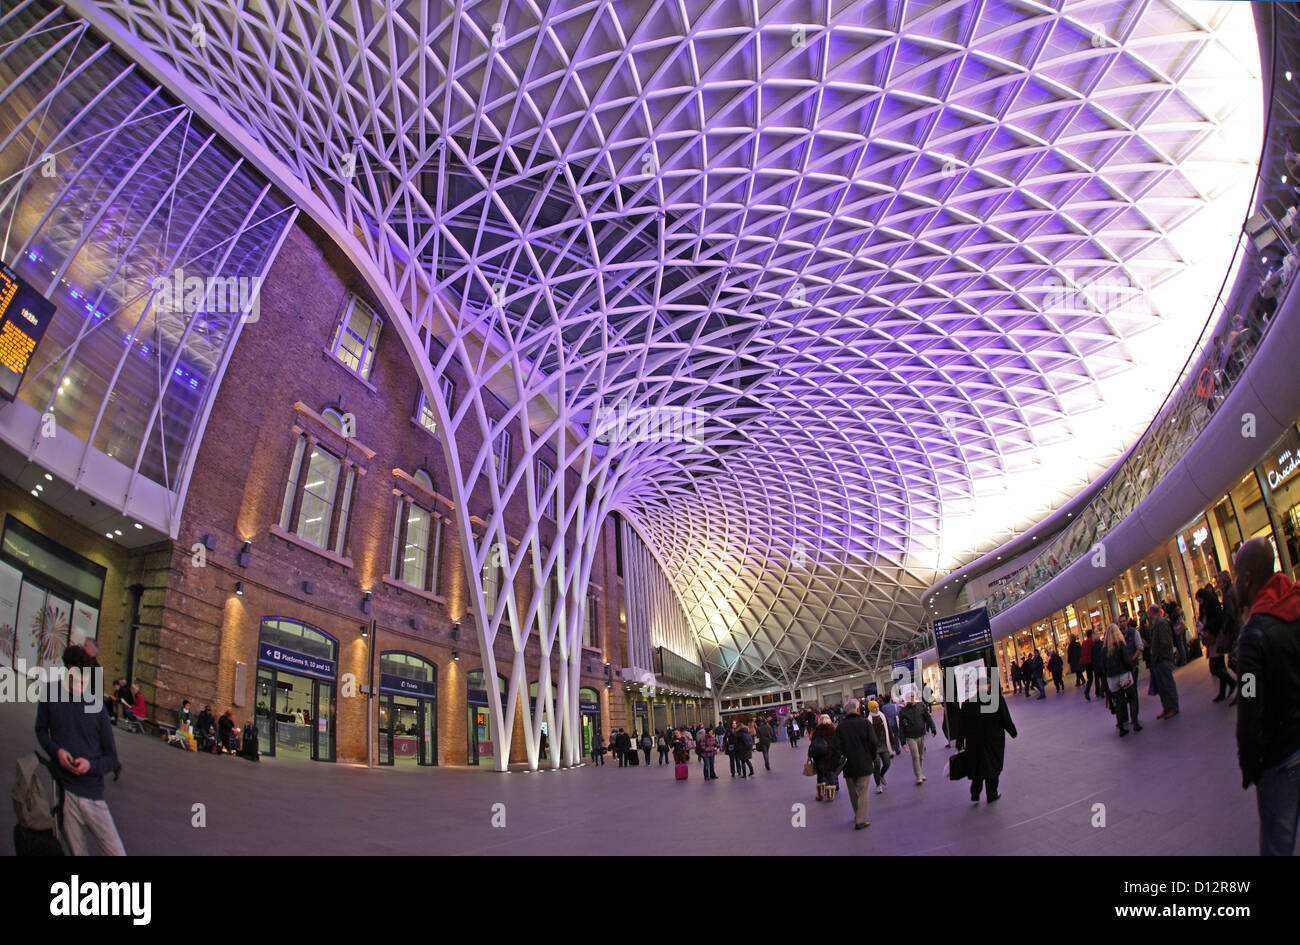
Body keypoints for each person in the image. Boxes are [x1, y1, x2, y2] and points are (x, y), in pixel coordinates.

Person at [1233, 538, 1300, 855]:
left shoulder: (1253, 638)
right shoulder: (1296, 603)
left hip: (1281, 756)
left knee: (1277, 844)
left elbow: (1249, 707)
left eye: (1235, 577)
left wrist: (1250, 764)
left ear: (1246, 579)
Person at [34, 645, 126, 855]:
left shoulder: (98, 708)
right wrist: (57, 752)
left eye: (85, 680)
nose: (80, 685)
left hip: (93, 796)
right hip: (66, 793)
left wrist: (90, 765)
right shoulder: (51, 693)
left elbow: (112, 759)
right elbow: (40, 730)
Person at [956, 680, 1017, 803]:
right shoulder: (996, 700)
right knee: (993, 767)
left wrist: (960, 742)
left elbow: (962, 726)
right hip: (994, 741)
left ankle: (975, 792)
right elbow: (1005, 718)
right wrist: (1013, 732)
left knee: (977, 767)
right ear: (988, 686)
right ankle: (992, 793)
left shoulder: (967, 704)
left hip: (974, 743)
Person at [830, 699, 877, 830]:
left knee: (853, 794)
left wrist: (834, 766)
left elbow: (836, 748)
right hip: (864, 762)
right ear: (858, 710)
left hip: (848, 765)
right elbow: (873, 743)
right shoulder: (865, 723)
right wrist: (873, 758)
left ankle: (858, 815)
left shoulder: (841, 727)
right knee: (863, 793)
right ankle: (861, 820)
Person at [1103, 623, 1141, 736]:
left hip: (1112, 680)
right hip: (1124, 676)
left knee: (1119, 703)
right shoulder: (1120, 644)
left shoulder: (1104, 650)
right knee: (1132, 697)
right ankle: (1135, 722)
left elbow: (1103, 666)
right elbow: (1126, 660)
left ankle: (1121, 727)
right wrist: (1131, 668)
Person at [1148, 603, 1180, 720]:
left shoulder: (1161, 623)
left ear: (1152, 612)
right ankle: (1167, 707)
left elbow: (1165, 642)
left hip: (1162, 659)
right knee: (1162, 685)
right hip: (1159, 660)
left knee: (1167, 683)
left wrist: (1161, 656)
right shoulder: (1157, 624)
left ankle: (1172, 707)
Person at [899, 692, 936, 783]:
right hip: (910, 737)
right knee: (915, 756)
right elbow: (901, 727)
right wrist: (903, 742)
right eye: (909, 697)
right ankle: (918, 776)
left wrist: (933, 728)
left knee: (921, 756)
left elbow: (928, 718)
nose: (911, 699)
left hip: (921, 734)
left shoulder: (921, 706)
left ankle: (920, 772)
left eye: (912, 697)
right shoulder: (903, 712)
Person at [808, 714, 840, 802]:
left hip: (819, 756)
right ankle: (830, 796)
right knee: (830, 775)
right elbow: (837, 743)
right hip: (830, 755)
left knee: (820, 775)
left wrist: (810, 755)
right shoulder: (832, 729)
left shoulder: (817, 730)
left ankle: (820, 794)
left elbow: (813, 744)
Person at [866, 700, 893, 793]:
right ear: (870, 709)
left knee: (887, 763)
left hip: (884, 744)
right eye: (874, 707)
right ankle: (878, 785)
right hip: (874, 747)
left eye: (877, 706)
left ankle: (881, 775)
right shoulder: (868, 720)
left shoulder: (882, 716)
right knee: (877, 765)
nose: (877, 708)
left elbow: (888, 729)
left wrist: (892, 743)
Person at [1080, 631, 1094, 700]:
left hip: (1086, 662)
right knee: (1098, 675)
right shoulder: (1092, 641)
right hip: (1092, 661)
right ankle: (1100, 691)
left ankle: (1087, 690)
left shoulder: (1084, 643)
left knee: (1090, 678)